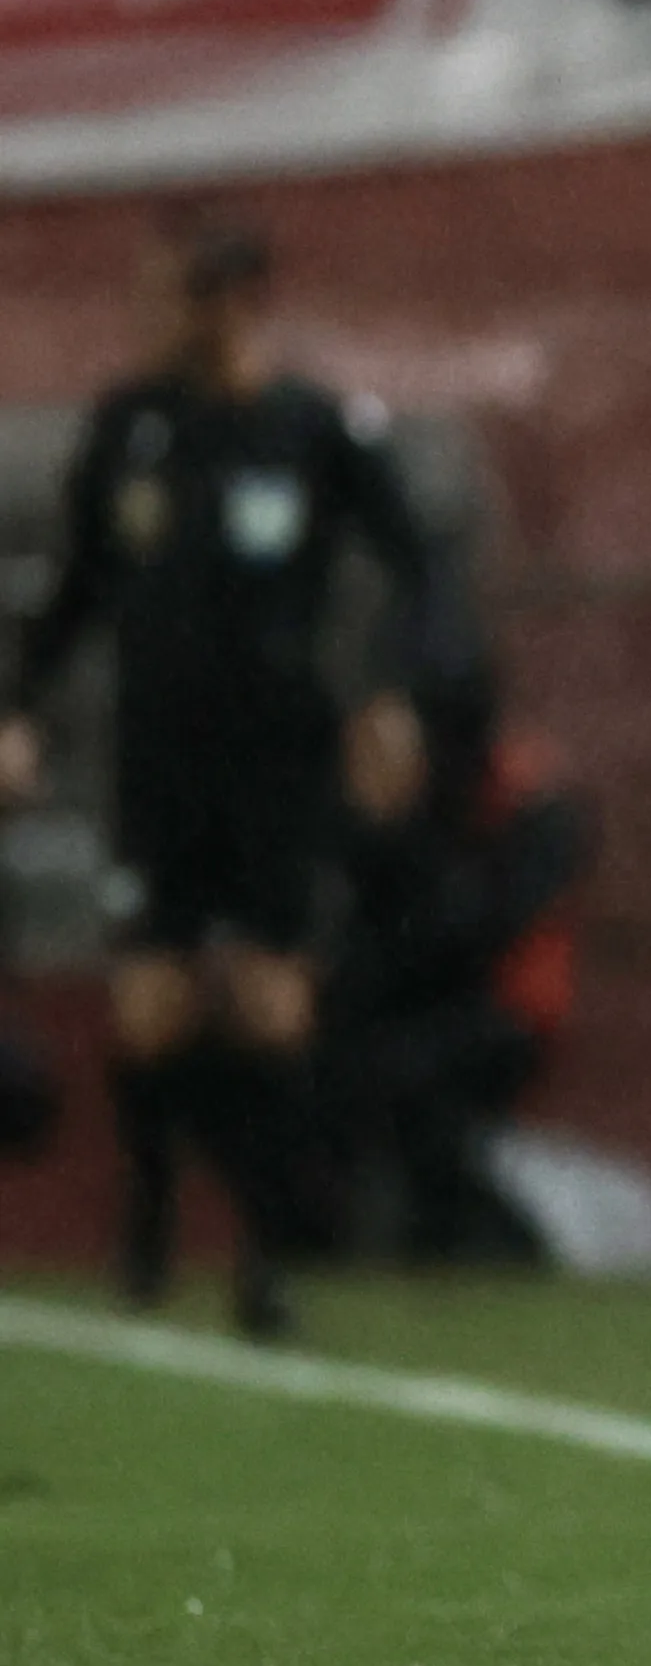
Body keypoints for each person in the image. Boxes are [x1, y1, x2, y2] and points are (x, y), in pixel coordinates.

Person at [0, 218, 438, 1340]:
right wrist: (21, 712)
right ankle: (150, 1219)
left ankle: (265, 1257)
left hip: (276, 764)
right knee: (151, 1012)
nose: (150, 320)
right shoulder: (130, 427)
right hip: (158, 763)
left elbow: (414, 565)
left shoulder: (314, 429)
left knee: (271, 1008)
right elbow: (79, 589)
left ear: (236, 301)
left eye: (173, 299)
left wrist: (387, 692)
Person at [324, 645, 590, 1263]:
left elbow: (476, 923)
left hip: (507, 1009)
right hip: (434, 999)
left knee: (407, 1083)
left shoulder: (527, 796)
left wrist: (397, 835)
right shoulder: (419, 795)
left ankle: (495, 1237)